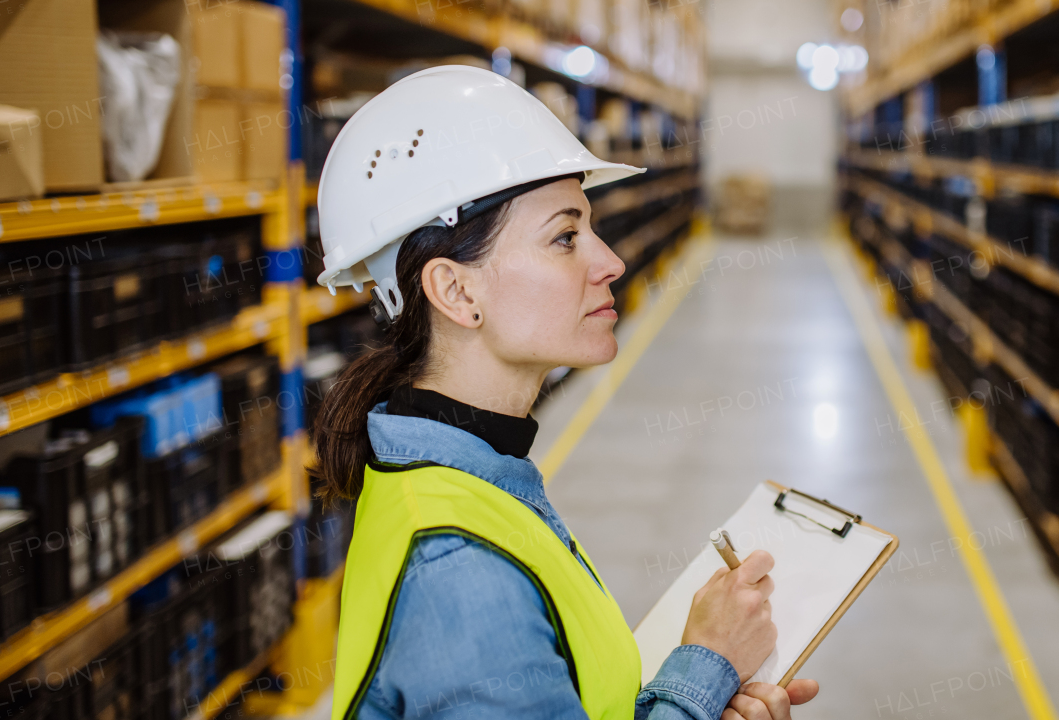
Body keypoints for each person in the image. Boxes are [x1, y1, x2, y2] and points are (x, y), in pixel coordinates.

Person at [310, 66, 819, 720]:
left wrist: (688, 701)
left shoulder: (469, 476)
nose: (610, 263)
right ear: (457, 292)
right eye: (565, 237)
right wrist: (705, 665)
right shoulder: (457, 571)